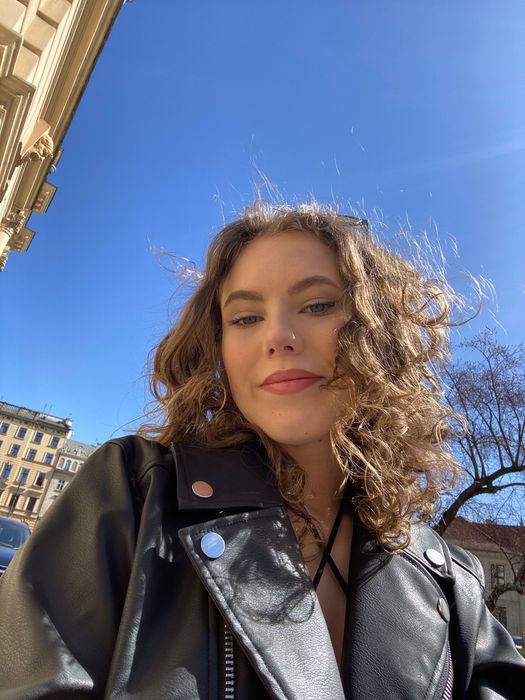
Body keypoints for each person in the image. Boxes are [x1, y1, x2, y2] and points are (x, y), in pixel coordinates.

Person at [0, 203, 523, 699]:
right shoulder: (131, 497)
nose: (278, 336)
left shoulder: (450, 582)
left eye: (318, 305)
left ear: (381, 333)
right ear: (219, 348)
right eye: (245, 317)